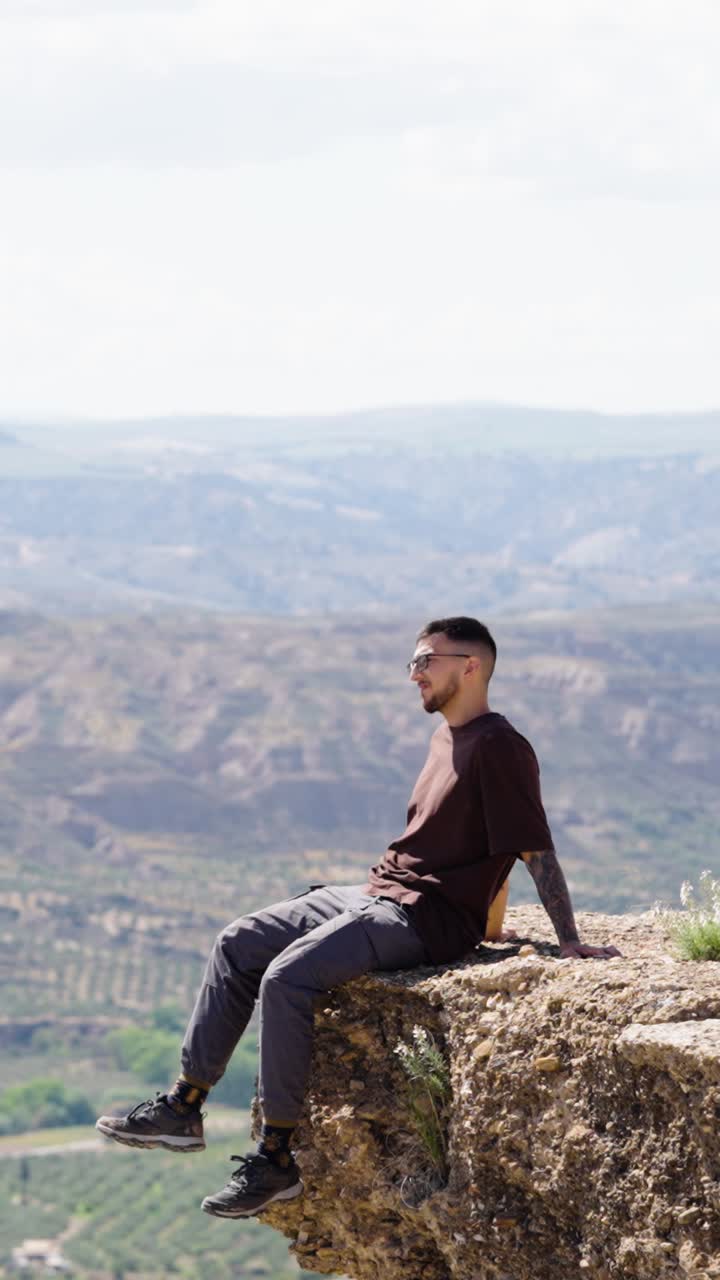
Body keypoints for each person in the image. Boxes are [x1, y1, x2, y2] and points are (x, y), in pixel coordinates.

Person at [96, 616, 620, 1218]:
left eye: (427, 660)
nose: (415, 673)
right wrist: (495, 925)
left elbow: (530, 848)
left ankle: (276, 1159)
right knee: (239, 941)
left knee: (287, 978)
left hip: (424, 917)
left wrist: (569, 940)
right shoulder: (447, 737)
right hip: (377, 892)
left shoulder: (501, 747)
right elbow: (482, 846)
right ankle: (184, 1107)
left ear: (470, 666)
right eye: (413, 663)